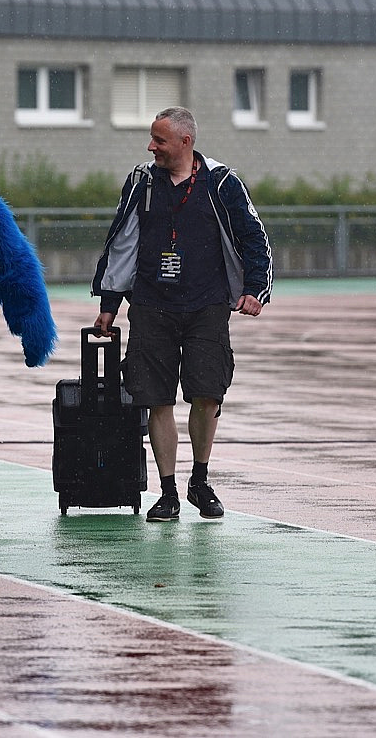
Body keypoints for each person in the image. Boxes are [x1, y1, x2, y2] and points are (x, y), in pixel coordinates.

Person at [91, 106, 272, 522]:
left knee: (208, 395)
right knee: (156, 399)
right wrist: (109, 305)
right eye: (152, 138)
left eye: (159, 140)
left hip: (207, 306)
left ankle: (200, 481)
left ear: (185, 142)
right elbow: (122, 241)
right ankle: (168, 492)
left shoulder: (222, 182)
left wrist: (255, 289)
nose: (150, 147)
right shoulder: (141, 182)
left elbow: (253, 237)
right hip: (151, 305)